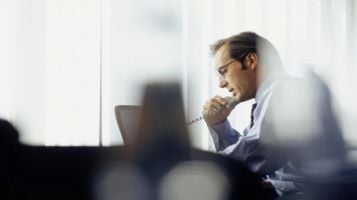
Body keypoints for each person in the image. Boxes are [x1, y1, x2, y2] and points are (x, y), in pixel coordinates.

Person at [202, 31, 314, 198]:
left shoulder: (285, 92)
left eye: (223, 71)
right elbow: (246, 153)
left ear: (251, 61)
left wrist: (201, 166)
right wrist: (219, 124)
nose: (221, 83)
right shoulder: (269, 99)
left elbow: (253, 157)